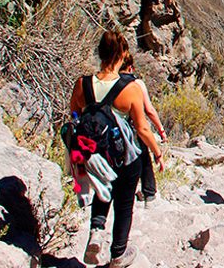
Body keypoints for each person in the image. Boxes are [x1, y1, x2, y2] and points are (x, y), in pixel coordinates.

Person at [69, 30, 164, 268]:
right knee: (124, 202)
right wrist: (157, 152)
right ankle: (118, 254)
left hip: (93, 154)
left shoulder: (82, 84)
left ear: (100, 53)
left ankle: (96, 230)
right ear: (122, 55)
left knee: (103, 189)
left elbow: (74, 116)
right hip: (123, 155)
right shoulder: (130, 88)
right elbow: (142, 129)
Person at [119, 54, 167, 206]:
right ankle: (149, 192)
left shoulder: (107, 82)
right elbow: (149, 110)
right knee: (144, 157)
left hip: (112, 129)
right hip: (133, 128)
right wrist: (161, 130)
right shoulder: (137, 84)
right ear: (130, 67)